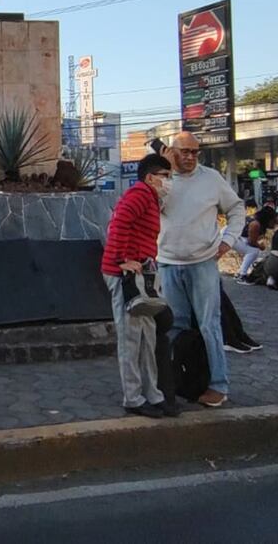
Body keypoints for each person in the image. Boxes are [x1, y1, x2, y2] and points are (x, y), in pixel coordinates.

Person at [157, 132, 246, 408]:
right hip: (168, 262)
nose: (190, 157)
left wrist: (228, 241)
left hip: (203, 262)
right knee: (174, 326)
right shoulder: (161, 180)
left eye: (195, 152)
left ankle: (218, 385)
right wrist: (166, 173)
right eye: (184, 151)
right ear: (172, 151)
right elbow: (151, 208)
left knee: (210, 325)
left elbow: (236, 208)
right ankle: (175, 382)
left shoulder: (211, 179)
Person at [101, 153, 177, 418]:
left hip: (140, 275)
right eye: (165, 176)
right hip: (126, 277)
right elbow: (119, 222)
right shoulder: (141, 194)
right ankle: (133, 398)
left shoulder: (149, 197)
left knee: (147, 336)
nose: (168, 182)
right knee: (131, 339)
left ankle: (152, 394)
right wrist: (122, 259)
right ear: (150, 177)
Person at [233, 206, 278, 284]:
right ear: (268, 219)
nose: (275, 222)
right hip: (232, 236)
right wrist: (260, 246)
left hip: (238, 237)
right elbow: (252, 242)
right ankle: (242, 275)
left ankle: (241, 272)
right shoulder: (255, 224)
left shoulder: (259, 223)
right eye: (273, 220)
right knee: (253, 251)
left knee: (252, 251)